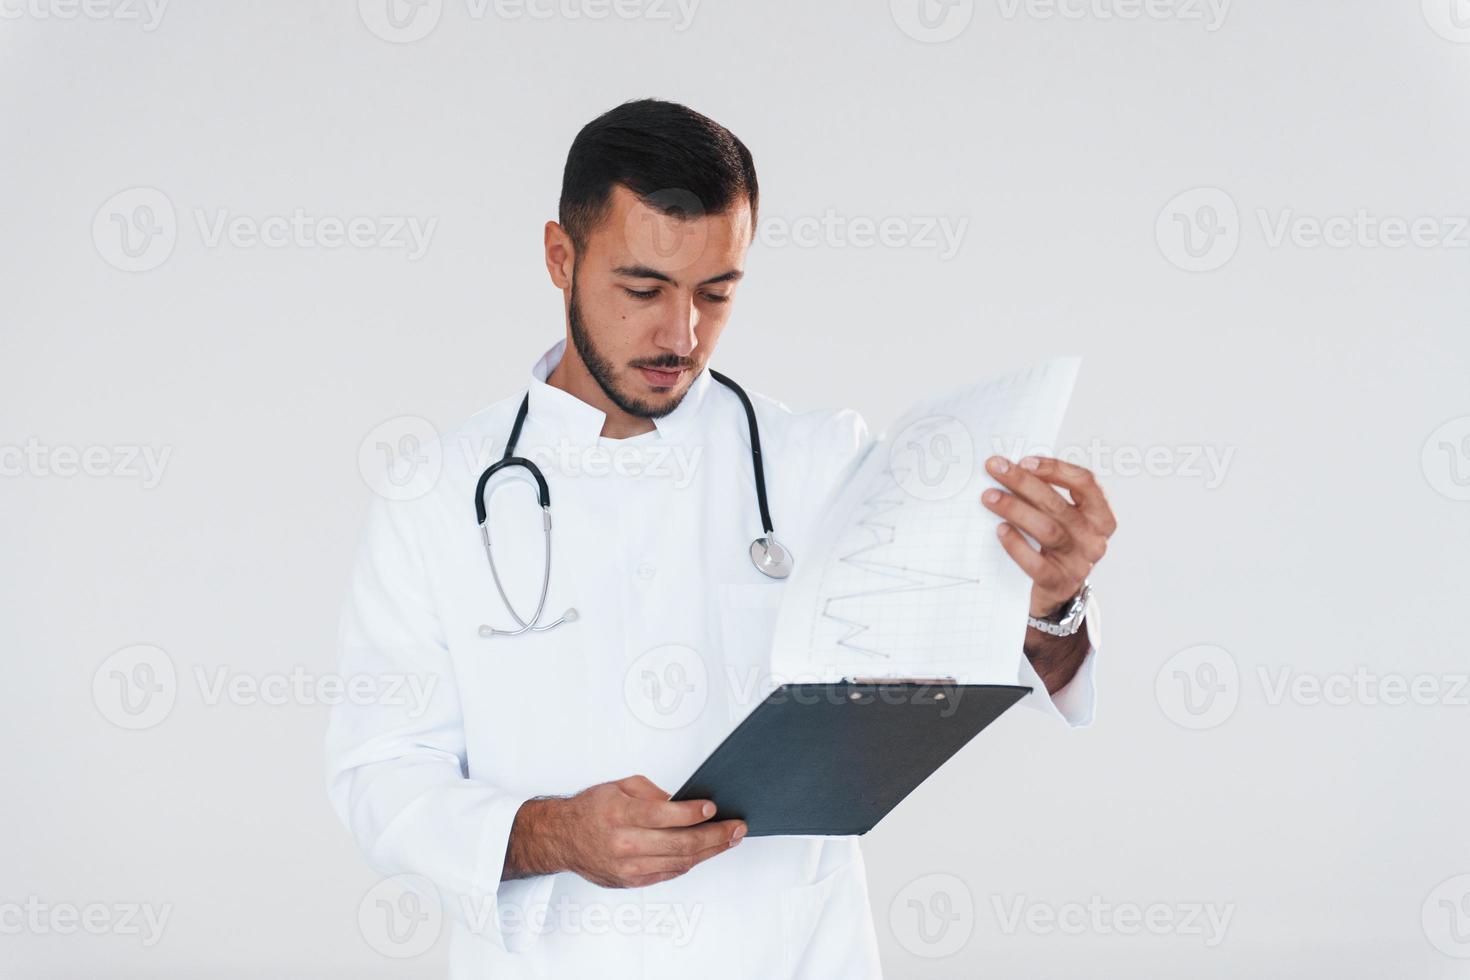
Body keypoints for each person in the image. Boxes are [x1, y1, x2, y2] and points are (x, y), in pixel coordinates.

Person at [325, 97, 1116, 978]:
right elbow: (380, 776)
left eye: (716, 292)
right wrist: (551, 833)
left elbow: (964, 665)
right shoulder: (435, 496)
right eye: (643, 290)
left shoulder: (823, 463)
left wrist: (1053, 601)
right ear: (560, 256)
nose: (682, 335)